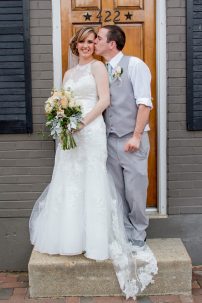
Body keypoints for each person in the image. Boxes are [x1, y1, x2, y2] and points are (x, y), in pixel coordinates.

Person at [29, 27, 157, 300]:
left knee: (130, 186)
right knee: (85, 183)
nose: (90, 44)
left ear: (108, 43)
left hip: (104, 132)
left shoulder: (124, 66)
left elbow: (111, 100)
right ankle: (74, 236)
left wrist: (83, 123)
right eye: (85, 41)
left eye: (94, 40)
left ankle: (136, 235)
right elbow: (63, 101)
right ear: (76, 45)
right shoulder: (70, 73)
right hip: (92, 136)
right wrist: (62, 120)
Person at [95, 25, 152, 250]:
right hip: (109, 140)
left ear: (112, 44)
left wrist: (136, 136)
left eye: (99, 38)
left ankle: (139, 233)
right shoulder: (100, 69)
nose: (94, 41)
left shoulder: (135, 65)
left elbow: (145, 104)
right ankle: (124, 231)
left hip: (131, 139)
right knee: (116, 191)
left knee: (135, 191)